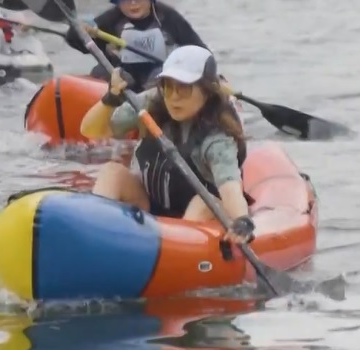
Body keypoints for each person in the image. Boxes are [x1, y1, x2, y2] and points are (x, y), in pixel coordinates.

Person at [79, 45, 253, 241]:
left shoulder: (217, 136)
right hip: (150, 203)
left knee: (203, 201)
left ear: (206, 91)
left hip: (200, 214)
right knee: (113, 172)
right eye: (168, 86)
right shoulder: (151, 103)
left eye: (184, 88)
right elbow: (90, 130)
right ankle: (93, 234)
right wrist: (110, 99)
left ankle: (177, 250)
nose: (174, 96)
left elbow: (229, 188)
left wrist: (242, 220)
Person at [65, 0, 208, 91]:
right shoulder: (111, 19)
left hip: (159, 79)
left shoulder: (167, 16)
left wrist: (210, 76)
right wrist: (78, 28)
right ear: (118, 2)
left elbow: (200, 50)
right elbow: (75, 42)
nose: (133, 3)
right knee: (101, 71)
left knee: (161, 76)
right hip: (122, 81)